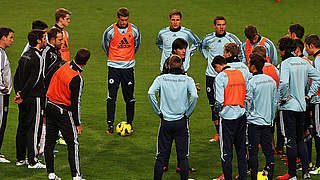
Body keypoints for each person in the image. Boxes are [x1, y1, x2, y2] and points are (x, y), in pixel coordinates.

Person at [275, 36, 320, 180]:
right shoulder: (303, 62)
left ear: (283, 50)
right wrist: (309, 94)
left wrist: (283, 98)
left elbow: (283, 83)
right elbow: (318, 77)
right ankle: (305, 172)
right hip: (302, 106)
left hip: (289, 107)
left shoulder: (286, 64)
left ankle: (292, 174)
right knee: (301, 139)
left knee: (291, 140)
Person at [148, 55, 198, 180]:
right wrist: (188, 113)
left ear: (169, 66)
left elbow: (150, 93)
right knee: (183, 156)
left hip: (166, 121)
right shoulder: (187, 80)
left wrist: (158, 112)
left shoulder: (161, 79)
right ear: (181, 66)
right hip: (181, 122)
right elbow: (195, 96)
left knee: (160, 156)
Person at [44, 48, 89, 180]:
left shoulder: (62, 65)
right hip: (63, 111)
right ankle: (76, 176)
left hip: (49, 105)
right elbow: (76, 103)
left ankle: (51, 174)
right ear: (86, 62)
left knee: (50, 141)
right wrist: (78, 123)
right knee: (73, 144)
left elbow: (47, 79)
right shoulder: (77, 78)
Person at [200, 16, 243, 143]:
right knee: (213, 104)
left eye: (223, 24)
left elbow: (240, 51)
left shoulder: (231, 38)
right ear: (214, 26)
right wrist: (208, 58)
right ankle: (218, 132)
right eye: (219, 25)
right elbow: (201, 46)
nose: (221, 27)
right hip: (211, 76)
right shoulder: (208, 38)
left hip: (226, 76)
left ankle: (228, 129)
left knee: (226, 101)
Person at [102, 7, 141, 134]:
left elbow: (136, 45)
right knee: (111, 97)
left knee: (129, 97)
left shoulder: (134, 30)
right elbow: (105, 46)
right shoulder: (110, 31)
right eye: (122, 20)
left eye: (126, 20)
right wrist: (115, 58)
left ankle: (130, 124)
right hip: (114, 68)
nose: (124, 22)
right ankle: (110, 125)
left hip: (128, 68)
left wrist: (127, 58)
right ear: (117, 18)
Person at [211, 55, 249, 180]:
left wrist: (215, 112)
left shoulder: (220, 77)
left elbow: (219, 101)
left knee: (226, 151)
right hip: (241, 114)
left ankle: (228, 177)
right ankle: (243, 176)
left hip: (227, 117)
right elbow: (247, 93)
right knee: (241, 150)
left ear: (217, 66)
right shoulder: (240, 73)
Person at [13, 29, 47, 168]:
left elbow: (17, 77)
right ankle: (32, 161)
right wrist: (23, 94)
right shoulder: (38, 57)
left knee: (22, 127)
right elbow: (35, 79)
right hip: (34, 98)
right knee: (34, 128)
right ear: (38, 41)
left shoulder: (24, 55)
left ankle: (20, 159)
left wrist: (19, 93)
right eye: (44, 38)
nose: (45, 40)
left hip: (23, 98)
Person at [246, 54, 277, 180]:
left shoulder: (251, 82)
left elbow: (248, 102)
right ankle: (269, 176)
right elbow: (274, 102)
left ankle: (254, 176)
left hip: (254, 122)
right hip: (267, 122)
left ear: (253, 67)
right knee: (268, 150)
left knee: (253, 152)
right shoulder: (271, 81)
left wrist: (248, 116)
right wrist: (271, 119)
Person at [37, 28, 64, 156]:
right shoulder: (47, 52)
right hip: (46, 91)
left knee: (50, 118)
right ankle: (42, 148)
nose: (62, 42)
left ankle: (47, 147)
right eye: (60, 39)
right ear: (52, 40)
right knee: (44, 119)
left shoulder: (55, 51)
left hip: (53, 90)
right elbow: (43, 73)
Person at [304, 34, 320, 174]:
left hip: (318, 100)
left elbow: (318, 80)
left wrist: (309, 95)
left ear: (310, 46)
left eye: (306, 46)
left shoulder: (317, 60)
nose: (305, 49)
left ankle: (319, 165)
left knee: (318, 132)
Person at [0, 27, 14, 163]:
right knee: (0, 123)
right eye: (10, 37)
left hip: (3, 94)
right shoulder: (0, 54)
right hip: (1, 95)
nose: (12, 40)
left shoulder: (2, 53)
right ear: (3, 37)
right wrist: (2, 88)